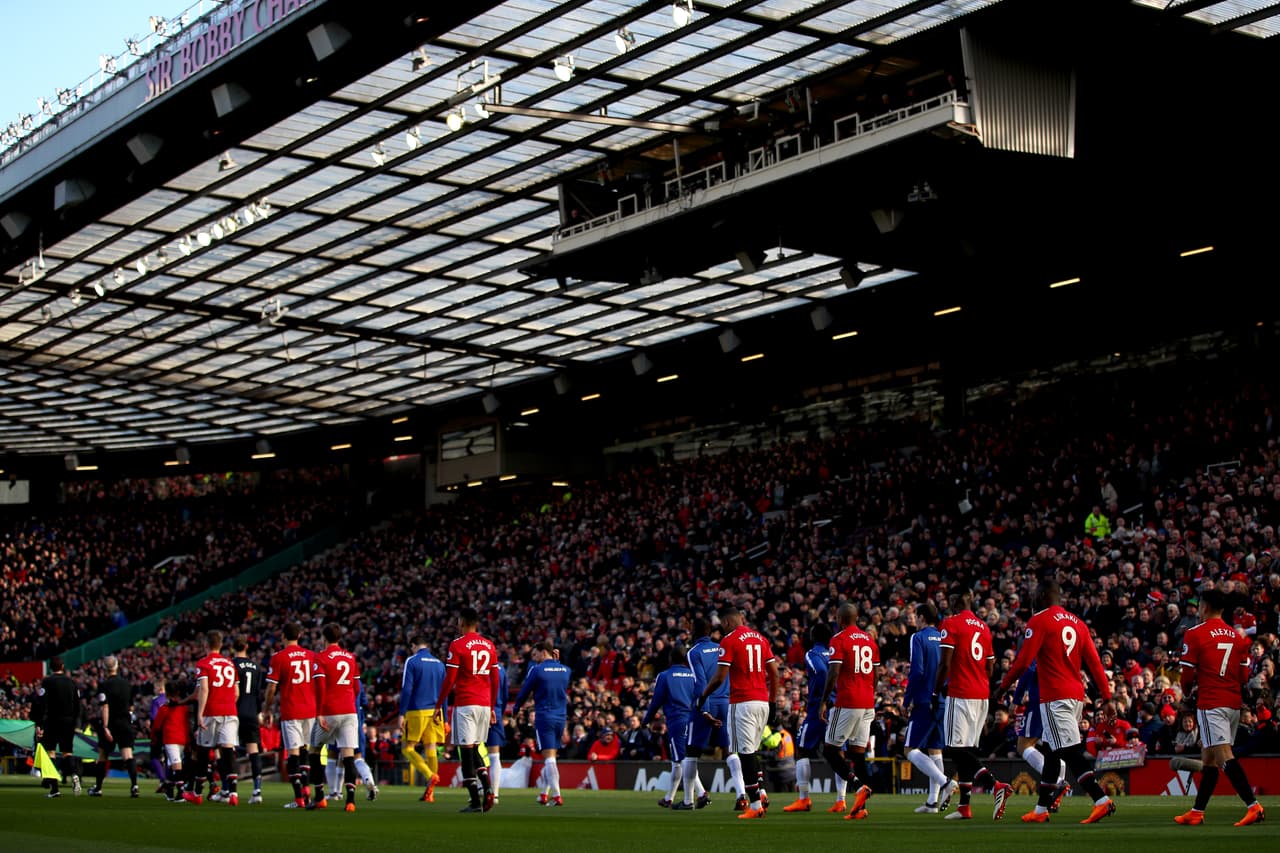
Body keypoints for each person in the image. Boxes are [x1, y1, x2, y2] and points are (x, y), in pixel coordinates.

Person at [998, 579, 1116, 824]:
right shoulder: (1078, 623)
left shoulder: (1039, 620)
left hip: (1055, 697)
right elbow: (1095, 663)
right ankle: (1041, 809)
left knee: (1068, 750)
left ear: (1042, 595)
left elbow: (1023, 662)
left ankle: (1101, 799)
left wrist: (1002, 687)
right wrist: (1106, 697)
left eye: (1035, 594)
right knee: (1052, 751)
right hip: (1076, 695)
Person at [1173, 589, 1266, 827]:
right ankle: (1197, 812)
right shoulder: (1237, 637)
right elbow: (1244, 675)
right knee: (1210, 758)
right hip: (1233, 704)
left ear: (1204, 607)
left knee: (1223, 756)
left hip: (1211, 703)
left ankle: (1253, 806)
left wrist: (1187, 693)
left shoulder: (1195, 633)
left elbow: (1187, 675)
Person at [696, 606, 780, 821]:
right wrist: (773, 702)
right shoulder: (761, 639)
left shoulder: (729, 640)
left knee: (745, 754)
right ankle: (761, 792)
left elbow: (719, 678)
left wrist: (703, 696)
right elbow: (774, 673)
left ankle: (755, 805)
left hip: (742, 702)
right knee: (752, 751)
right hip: (762, 702)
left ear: (726, 622)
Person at [935, 590, 1012, 821]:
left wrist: (935, 691)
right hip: (981, 695)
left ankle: (994, 785)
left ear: (954, 603)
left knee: (954, 749)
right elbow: (990, 667)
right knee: (966, 749)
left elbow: (945, 664)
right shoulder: (984, 627)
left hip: (961, 692)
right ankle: (964, 807)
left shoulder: (951, 624)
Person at [434, 606, 500, 813]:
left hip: (466, 703)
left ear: (461, 622)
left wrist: (439, 704)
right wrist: (492, 707)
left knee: (466, 751)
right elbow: (495, 679)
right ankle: (488, 788)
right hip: (484, 703)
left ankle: (475, 801)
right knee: (476, 748)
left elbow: (450, 679)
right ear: (477, 623)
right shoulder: (489, 645)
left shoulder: (457, 644)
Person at [819, 603, 878, 821]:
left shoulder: (839, 639)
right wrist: (869, 694)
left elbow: (834, 672)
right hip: (868, 702)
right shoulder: (869, 639)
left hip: (848, 701)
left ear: (839, 619)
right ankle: (861, 808)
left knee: (830, 750)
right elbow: (876, 674)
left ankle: (858, 786)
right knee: (858, 753)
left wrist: (824, 701)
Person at [684, 616, 745, 809]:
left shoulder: (694, 652)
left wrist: (704, 709)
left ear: (693, 631)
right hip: (726, 703)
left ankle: (688, 800)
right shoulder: (721, 647)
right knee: (729, 750)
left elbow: (701, 681)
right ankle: (741, 794)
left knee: (691, 752)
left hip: (707, 702)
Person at [640, 643, 706, 810]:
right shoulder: (694, 675)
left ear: (670, 658)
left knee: (682, 759)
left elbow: (656, 701)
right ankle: (669, 798)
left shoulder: (664, 676)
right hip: (694, 719)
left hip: (677, 720)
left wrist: (646, 720)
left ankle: (701, 793)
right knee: (681, 760)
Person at [785, 623, 843, 814]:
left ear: (813, 636)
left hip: (819, 708)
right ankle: (841, 800)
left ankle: (804, 799)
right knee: (837, 751)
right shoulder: (835, 653)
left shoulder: (812, 654)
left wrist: (823, 698)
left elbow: (822, 672)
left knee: (803, 749)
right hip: (838, 707)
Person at [902, 603, 952, 814]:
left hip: (924, 699)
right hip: (942, 699)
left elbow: (917, 671)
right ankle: (932, 802)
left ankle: (946, 782)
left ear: (921, 617)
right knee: (934, 749)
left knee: (909, 749)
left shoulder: (918, 637)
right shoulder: (943, 637)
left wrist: (907, 700)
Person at [264, 621, 319, 809]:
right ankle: (307, 788)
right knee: (305, 751)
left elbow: (272, 688)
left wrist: (266, 709)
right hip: (310, 710)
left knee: (293, 754)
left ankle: (299, 799)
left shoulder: (279, 657)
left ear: (283, 636)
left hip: (291, 710)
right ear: (300, 635)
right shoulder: (312, 656)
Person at [513, 640, 572, 807]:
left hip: (545, 716)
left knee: (549, 759)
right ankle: (544, 793)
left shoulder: (537, 670)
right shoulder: (566, 670)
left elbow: (524, 691)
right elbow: (557, 681)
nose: (534, 658)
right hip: (561, 717)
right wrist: (557, 662)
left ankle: (557, 796)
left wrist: (516, 708)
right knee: (552, 757)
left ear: (543, 652)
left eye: (535, 654)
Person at [309, 623, 362, 812]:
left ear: (324, 638)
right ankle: (350, 801)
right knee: (348, 755)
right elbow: (357, 688)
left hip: (330, 711)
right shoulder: (350, 657)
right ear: (339, 638)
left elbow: (320, 687)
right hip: (349, 711)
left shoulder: (321, 657)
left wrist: (319, 712)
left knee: (314, 750)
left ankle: (319, 797)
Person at [187, 630, 241, 805]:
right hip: (230, 711)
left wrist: (200, 713)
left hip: (212, 711)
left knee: (203, 751)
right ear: (221, 645)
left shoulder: (203, 663)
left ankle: (197, 793)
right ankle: (233, 793)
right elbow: (236, 692)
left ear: (205, 645)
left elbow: (204, 689)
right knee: (228, 751)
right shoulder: (230, 663)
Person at [1010, 662, 1068, 810]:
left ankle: (1058, 782)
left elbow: (1028, 669)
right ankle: (1054, 801)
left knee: (1023, 746)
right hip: (1061, 700)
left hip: (1039, 702)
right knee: (1054, 748)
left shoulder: (1038, 649)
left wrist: (1016, 700)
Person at [398, 636, 446, 802]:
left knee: (407, 748)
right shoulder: (439, 664)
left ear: (413, 645)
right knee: (431, 748)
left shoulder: (412, 661)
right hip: (436, 712)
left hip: (417, 710)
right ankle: (430, 793)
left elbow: (407, 689)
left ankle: (430, 775)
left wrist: (402, 713)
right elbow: (445, 691)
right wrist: (446, 718)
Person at [31, 655, 82, 798]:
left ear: (50, 668)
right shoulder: (71, 683)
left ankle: (54, 789)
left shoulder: (47, 682)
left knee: (51, 752)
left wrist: (39, 724)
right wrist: (75, 723)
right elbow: (78, 705)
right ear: (63, 667)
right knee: (67, 752)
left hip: (52, 721)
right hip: (68, 721)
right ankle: (74, 774)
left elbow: (41, 704)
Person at [88, 655, 138, 798]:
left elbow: (105, 707)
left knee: (103, 755)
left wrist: (105, 726)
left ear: (104, 668)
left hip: (111, 723)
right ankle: (134, 786)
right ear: (117, 666)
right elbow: (131, 707)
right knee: (128, 755)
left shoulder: (104, 685)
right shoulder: (127, 684)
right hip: (125, 723)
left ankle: (98, 788)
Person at [231, 635, 266, 804]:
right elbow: (258, 694)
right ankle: (257, 790)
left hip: (234, 711)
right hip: (252, 712)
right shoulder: (256, 667)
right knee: (254, 751)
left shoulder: (231, 665)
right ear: (247, 647)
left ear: (233, 648)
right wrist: (259, 712)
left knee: (229, 749)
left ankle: (229, 790)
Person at [152, 680, 191, 801]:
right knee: (172, 763)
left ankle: (180, 792)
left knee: (175, 763)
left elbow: (156, 726)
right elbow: (187, 725)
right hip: (182, 738)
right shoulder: (184, 707)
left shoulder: (165, 708)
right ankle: (170, 791)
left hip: (170, 738)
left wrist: (154, 739)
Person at [482, 659, 508, 803]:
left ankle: (480, 789)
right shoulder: (501, 669)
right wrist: (498, 712)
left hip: (478, 710)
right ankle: (495, 794)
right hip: (495, 712)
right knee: (494, 755)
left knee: (475, 751)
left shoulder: (475, 663)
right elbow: (505, 694)